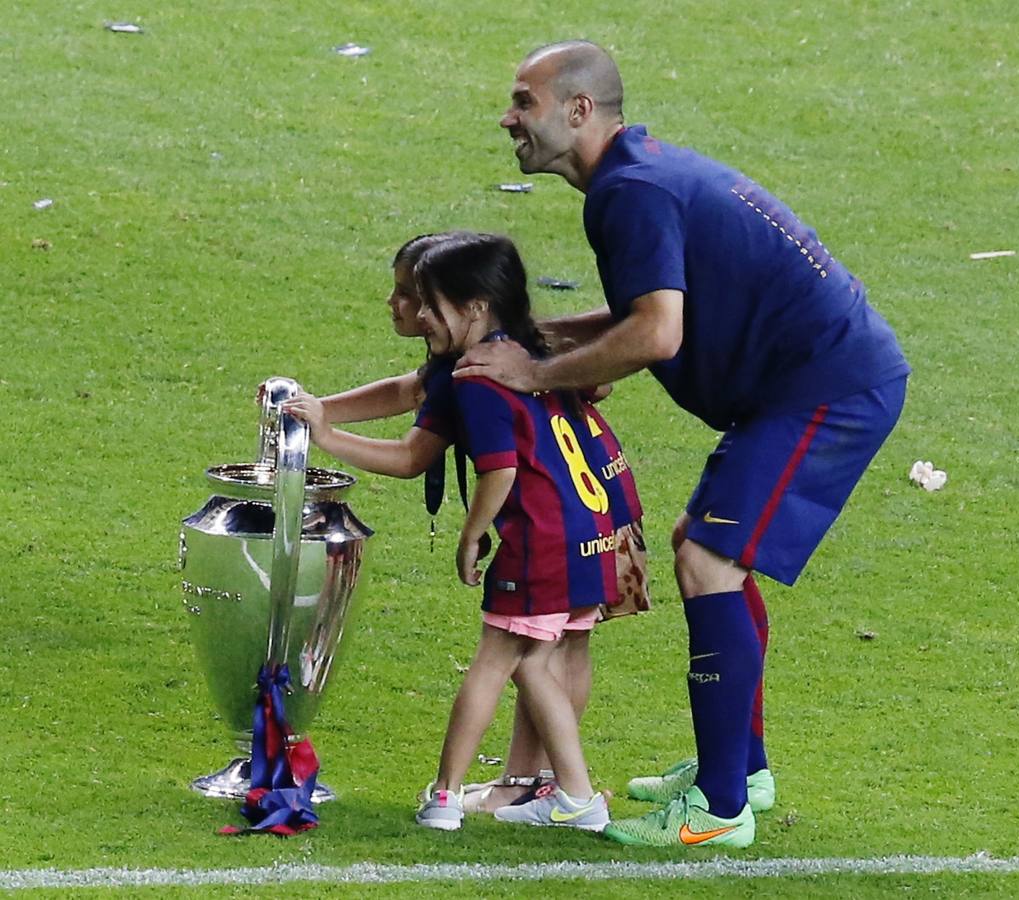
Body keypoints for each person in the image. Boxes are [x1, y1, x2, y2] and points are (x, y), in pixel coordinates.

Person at [456, 40, 909, 848]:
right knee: (701, 548)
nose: (509, 117)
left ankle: (720, 812)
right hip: (812, 376)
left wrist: (539, 375)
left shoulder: (627, 193)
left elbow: (658, 334)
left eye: (524, 101)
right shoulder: (638, 173)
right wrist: (549, 340)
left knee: (708, 560)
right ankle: (740, 769)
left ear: (579, 110)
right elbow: (659, 313)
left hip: (826, 387)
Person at [287, 231, 640, 833]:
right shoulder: (527, 347)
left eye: (421, 298)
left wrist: (471, 531)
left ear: (474, 305)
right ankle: (537, 786)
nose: (412, 311)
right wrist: (318, 406)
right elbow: (412, 390)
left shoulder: (474, 374)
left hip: (544, 534)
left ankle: (458, 796)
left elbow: (419, 456)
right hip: (609, 516)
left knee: (507, 657)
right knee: (565, 648)